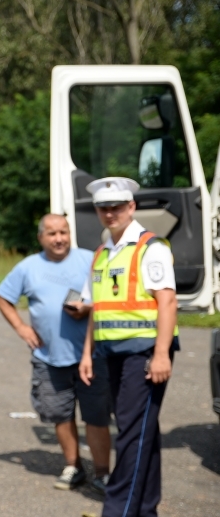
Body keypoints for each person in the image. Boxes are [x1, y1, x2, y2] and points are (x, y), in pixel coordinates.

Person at [79, 178, 179, 517]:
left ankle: (118, 510)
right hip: (112, 353)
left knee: (131, 433)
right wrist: (86, 353)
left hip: (146, 352)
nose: (110, 213)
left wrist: (162, 353)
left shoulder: (151, 247)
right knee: (139, 429)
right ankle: (145, 510)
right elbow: (95, 308)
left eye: (117, 206)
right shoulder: (103, 252)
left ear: (131, 207)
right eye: (103, 208)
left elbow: (167, 301)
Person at [0, 214, 112, 492]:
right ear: (41, 238)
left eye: (63, 232)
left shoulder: (90, 259)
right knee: (60, 414)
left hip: (91, 356)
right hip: (48, 358)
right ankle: (73, 466)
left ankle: (103, 472)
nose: (58, 238)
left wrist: (86, 309)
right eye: (51, 233)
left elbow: (107, 296)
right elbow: (2, 296)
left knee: (95, 416)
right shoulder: (28, 267)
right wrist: (22, 328)